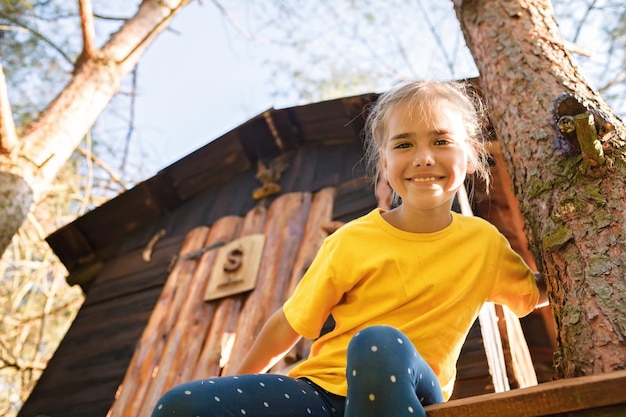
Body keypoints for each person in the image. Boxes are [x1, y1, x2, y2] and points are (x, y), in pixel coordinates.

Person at [150, 80, 546, 417]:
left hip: (407, 390)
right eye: (404, 144)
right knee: (180, 405)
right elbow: (289, 324)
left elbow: (539, 292)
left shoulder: (484, 244)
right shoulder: (352, 241)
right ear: (384, 163)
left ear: (471, 155)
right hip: (320, 395)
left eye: (441, 140)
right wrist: (240, 381)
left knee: (376, 344)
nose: (423, 158)